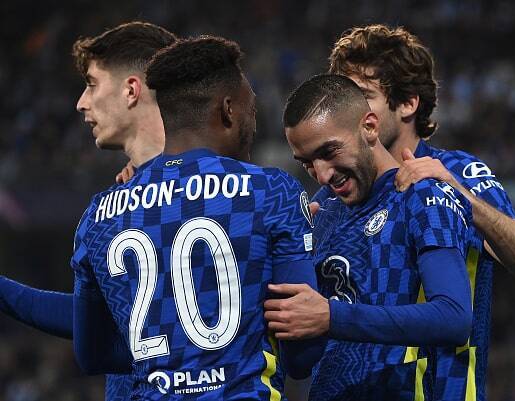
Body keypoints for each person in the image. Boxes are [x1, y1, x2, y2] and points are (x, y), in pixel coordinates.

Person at [70, 36, 325, 400]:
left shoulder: (99, 215)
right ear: (229, 110)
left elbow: (92, 356)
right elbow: (302, 357)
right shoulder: (271, 191)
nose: (253, 124)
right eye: (252, 111)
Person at [322, 24, 515, 401]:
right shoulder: (334, 192)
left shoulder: (458, 173)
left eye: (363, 96)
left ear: (408, 103)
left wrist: (460, 196)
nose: (348, 113)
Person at [265, 73, 474, 401]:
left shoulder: (420, 196)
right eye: (307, 163)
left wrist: (332, 317)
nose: (322, 174)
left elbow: (454, 318)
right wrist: (291, 257)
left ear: (370, 127)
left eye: (329, 151)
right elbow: (300, 363)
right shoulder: (322, 214)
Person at [0, 21, 177, 401]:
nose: (81, 102)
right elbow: (110, 320)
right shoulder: (117, 204)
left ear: (131, 89)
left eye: (92, 84)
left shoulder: (217, 195)